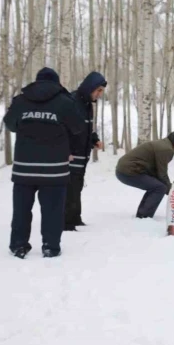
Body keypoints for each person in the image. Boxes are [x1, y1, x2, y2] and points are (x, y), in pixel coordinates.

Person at [4, 67, 85, 258]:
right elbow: (78, 127)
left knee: (21, 210)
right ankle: (50, 246)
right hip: (54, 169)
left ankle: (18, 245)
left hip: (24, 169)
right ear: (56, 83)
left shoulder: (20, 101)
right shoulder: (65, 102)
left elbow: (9, 124)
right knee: (53, 211)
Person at [64, 71, 107, 231]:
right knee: (70, 189)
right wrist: (65, 150)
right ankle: (66, 223)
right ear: (90, 88)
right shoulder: (72, 102)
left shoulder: (87, 105)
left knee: (78, 186)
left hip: (82, 155)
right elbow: (65, 129)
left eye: (101, 91)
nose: (99, 95)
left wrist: (94, 139)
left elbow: (86, 128)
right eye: (99, 91)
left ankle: (75, 218)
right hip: (71, 155)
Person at [115, 131, 174, 218]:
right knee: (160, 188)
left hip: (127, 169)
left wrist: (170, 187)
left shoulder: (163, 144)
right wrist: (171, 190)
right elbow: (161, 173)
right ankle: (144, 216)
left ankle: (142, 214)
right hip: (128, 171)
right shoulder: (167, 149)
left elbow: (156, 172)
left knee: (156, 185)